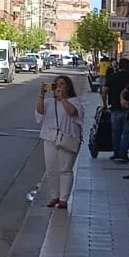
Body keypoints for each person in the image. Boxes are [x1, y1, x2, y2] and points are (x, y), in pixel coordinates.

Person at [37, 75, 83, 209]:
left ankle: (63, 199)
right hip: (50, 138)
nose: (59, 87)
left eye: (62, 84)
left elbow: (72, 112)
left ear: (68, 87)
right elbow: (40, 113)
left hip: (68, 138)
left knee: (65, 169)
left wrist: (62, 98)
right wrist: (41, 96)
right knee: (51, 169)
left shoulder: (74, 101)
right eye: (56, 84)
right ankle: (54, 196)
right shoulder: (49, 102)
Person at [105, 56, 129, 163]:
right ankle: (123, 153)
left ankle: (116, 153)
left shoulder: (113, 76)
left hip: (115, 107)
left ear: (119, 66)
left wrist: (104, 103)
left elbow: (104, 90)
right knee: (127, 132)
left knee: (116, 131)